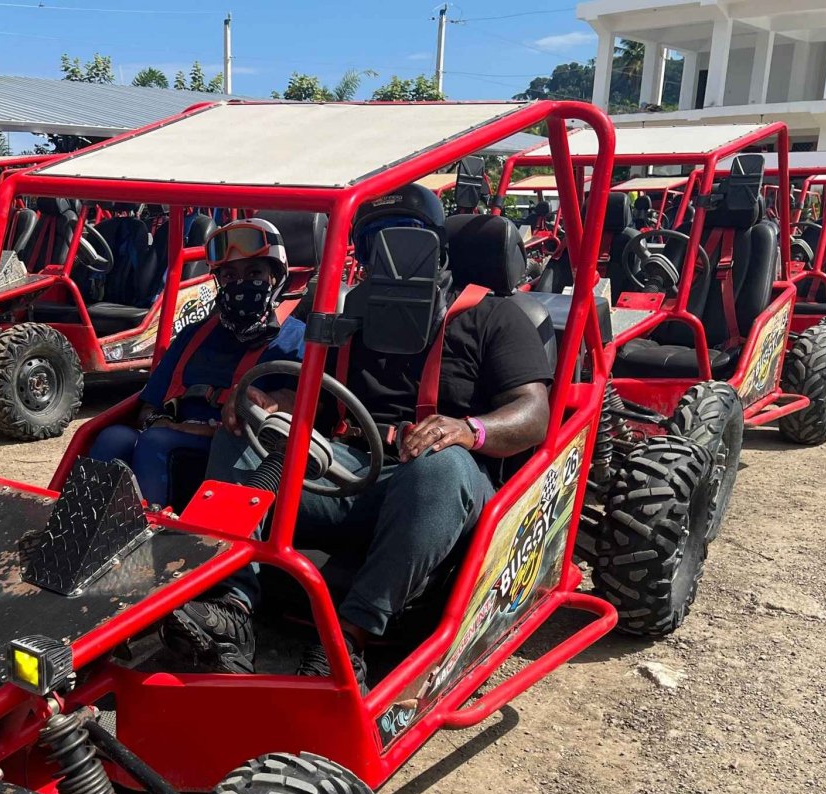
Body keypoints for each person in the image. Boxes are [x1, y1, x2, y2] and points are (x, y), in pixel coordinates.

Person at [161, 185, 553, 682]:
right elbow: (313, 397)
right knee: (242, 430)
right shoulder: (342, 314)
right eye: (375, 242)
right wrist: (269, 403)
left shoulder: (493, 315)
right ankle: (232, 608)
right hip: (344, 471)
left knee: (441, 465)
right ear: (363, 253)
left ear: (436, 246)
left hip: (436, 487)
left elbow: (534, 414)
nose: (392, 255)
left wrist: (468, 429)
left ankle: (348, 638)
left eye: (406, 240)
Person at [90, 217, 304, 507]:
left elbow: (299, 406)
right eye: (228, 276)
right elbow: (149, 407)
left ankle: (159, 540)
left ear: (275, 277)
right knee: (113, 438)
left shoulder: (296, 341)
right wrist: (162, 422)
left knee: (156, 442)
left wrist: (201, 430)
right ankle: (81, 531)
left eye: (253, 271)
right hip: (173, 438)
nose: (240, 284)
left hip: (237, 456)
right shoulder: (194, 335)